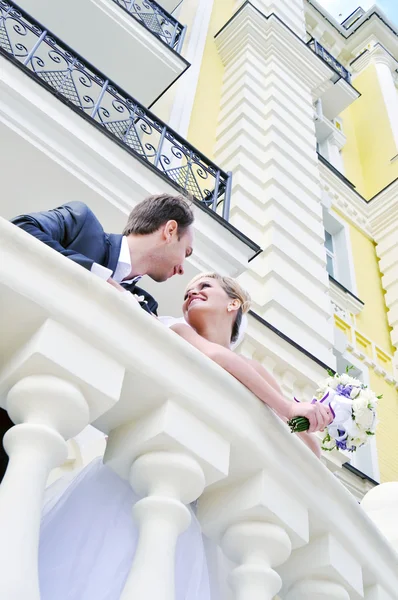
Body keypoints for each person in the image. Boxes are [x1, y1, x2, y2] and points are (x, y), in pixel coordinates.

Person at [38, 273, 331, 600]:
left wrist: (313, 416)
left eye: (204, 287)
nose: (191, 293)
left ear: (234, 303)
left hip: (192, 498)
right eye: (188, 291)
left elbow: (301, 442)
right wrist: (287, 406)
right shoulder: (177, 328)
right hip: (133, 476)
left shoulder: (254, 373)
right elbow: (216, 357)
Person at [0, 195, 195, 482]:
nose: (182, 268)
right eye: (186, 252)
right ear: (169, 231)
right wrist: (100, 280)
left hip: (37, 415)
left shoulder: (146, 306)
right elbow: (20, 230)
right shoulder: (81, 222)